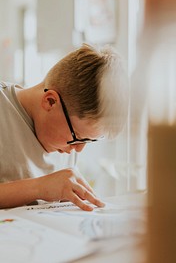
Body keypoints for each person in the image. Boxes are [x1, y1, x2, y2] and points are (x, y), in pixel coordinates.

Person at [0, 43, 129, 211]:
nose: (78, 149)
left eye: (89, 141)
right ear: (50, 101)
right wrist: (39, 187)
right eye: (77, 137)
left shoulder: (65, 139)